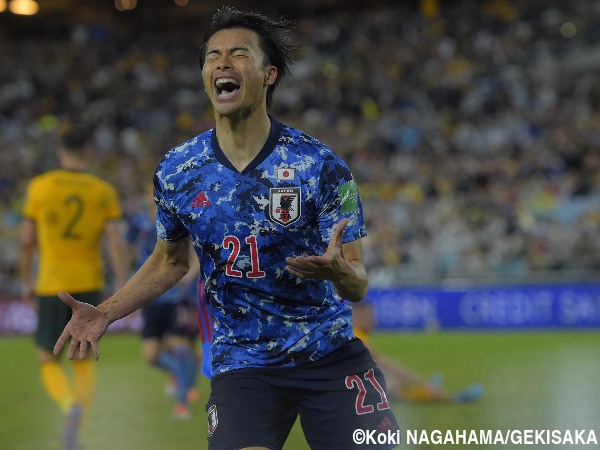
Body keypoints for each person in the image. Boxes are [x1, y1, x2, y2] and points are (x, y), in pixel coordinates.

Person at [53, 7, 399, 450]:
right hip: (243, 363)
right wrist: (105, 312)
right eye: (213, 56)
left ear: (269, 74)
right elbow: (169, 262)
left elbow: (358, 284)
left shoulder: (320, 166)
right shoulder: (178, 171)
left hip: (328, 354)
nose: (223, 63)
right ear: (204, 76)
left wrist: (340, 272)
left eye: (239, 53)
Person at [20, 125, 128, 450]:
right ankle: (77, 422)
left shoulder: (40, 187)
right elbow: (115, 241)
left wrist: (26, 281)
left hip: (51, 283)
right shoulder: (103, 190)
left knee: (46, 357)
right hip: (89, 283)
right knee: (82, 358)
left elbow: (26, 240)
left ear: (60, 152)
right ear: (89, 153)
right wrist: (122, 283)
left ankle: (69, 407)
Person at [125, 187, 201, 419]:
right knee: (151, 355)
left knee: (179, 346)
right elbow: (130, 249)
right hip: (151, 298)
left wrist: (188, 276)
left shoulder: (178, 218)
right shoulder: (138, 222)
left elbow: (195, 253)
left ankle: (182, 402)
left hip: (175, 297)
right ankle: (182, 372)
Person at [352, 301, 483, 404]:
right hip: (353, 391)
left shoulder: (356, 335)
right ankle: (447, 397)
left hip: (351, 387)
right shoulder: (359, 337)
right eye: (369, 316)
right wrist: (422, 381)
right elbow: (386, 364)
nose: (374, 320)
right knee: (394, 383)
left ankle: (436, 394)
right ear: (358, 318)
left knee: (393, 383)